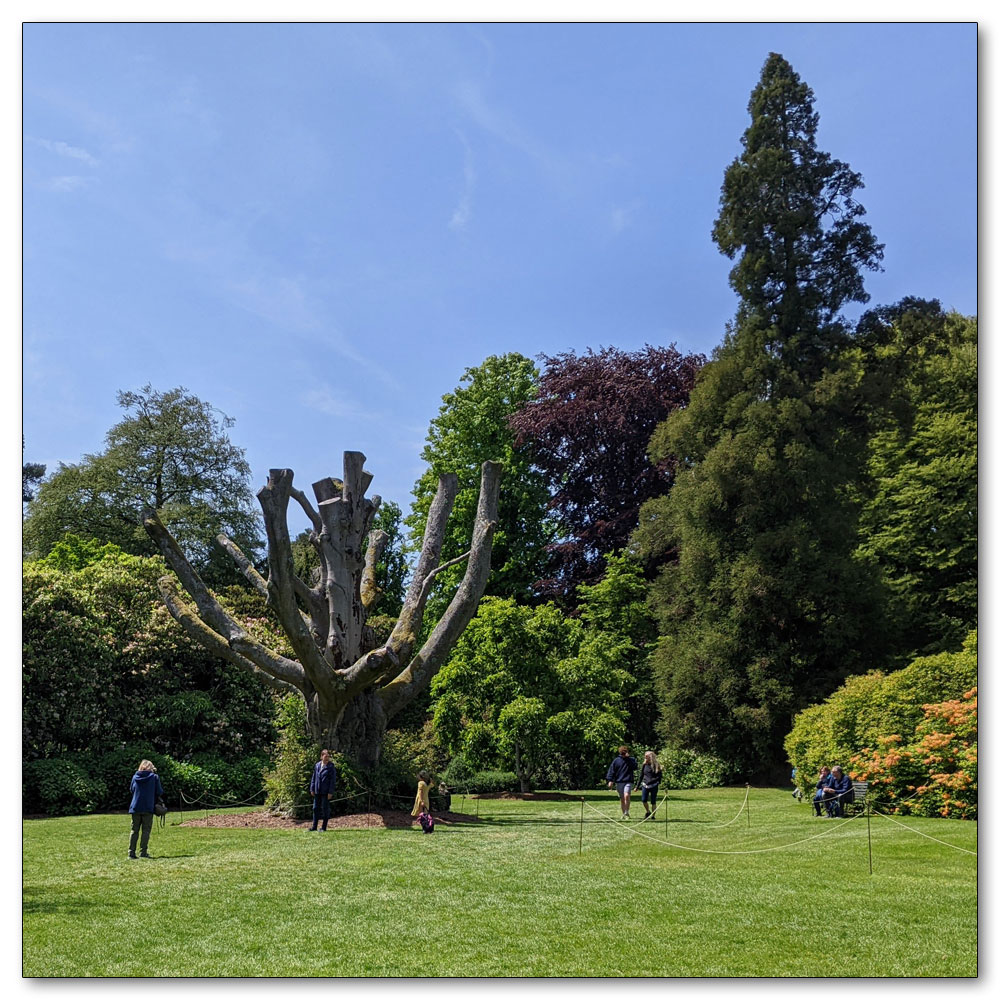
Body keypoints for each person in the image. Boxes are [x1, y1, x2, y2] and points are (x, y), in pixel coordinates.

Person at [128, 759, 165, 859]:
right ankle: (143, 852)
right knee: (146, 831)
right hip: (148, 807)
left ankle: (131, 853)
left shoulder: (135, 777)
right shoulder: (154, 777)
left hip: (135, 807)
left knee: (134, 830)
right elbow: (159, 791)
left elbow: (132, 789)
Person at [606, 745, 637, 820]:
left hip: (628, 781)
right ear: (620, 753)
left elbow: (635, 767)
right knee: (622, 799)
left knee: (627, 795)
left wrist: (628, 759)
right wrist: (610, 780)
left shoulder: (631, 760)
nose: (624, 754)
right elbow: (612, 771)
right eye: (623, 753)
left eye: (625, 752)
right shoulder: (616, 761)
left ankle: (627, 811)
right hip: (619, 781)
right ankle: (624, 814)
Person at [308, 749, 337, 831]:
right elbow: (314, 778)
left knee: (325, 809)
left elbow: (332, 781)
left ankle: (324, 827)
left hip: (326, 792)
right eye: (325, 756)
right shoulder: (317, 765)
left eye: (328, 756)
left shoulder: (331, 767)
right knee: (315, 808)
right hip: (317, 791)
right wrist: (312, 788)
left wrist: (330, 792)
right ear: (321, 756)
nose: (327, 758)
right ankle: (314, 827)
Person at [638, 750, 663, 820]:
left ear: (651, 757)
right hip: (645, 785)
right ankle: (648, 811)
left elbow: (659, 776)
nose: (645, 757)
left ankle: (653, 816)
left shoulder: (656, 765)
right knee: (644, 800)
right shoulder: (644, 765)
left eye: (647, 756)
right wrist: (637, 787)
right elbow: (641, 775)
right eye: (645, 756)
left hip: (654, 785)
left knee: (653, 801)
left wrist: (654, 781)